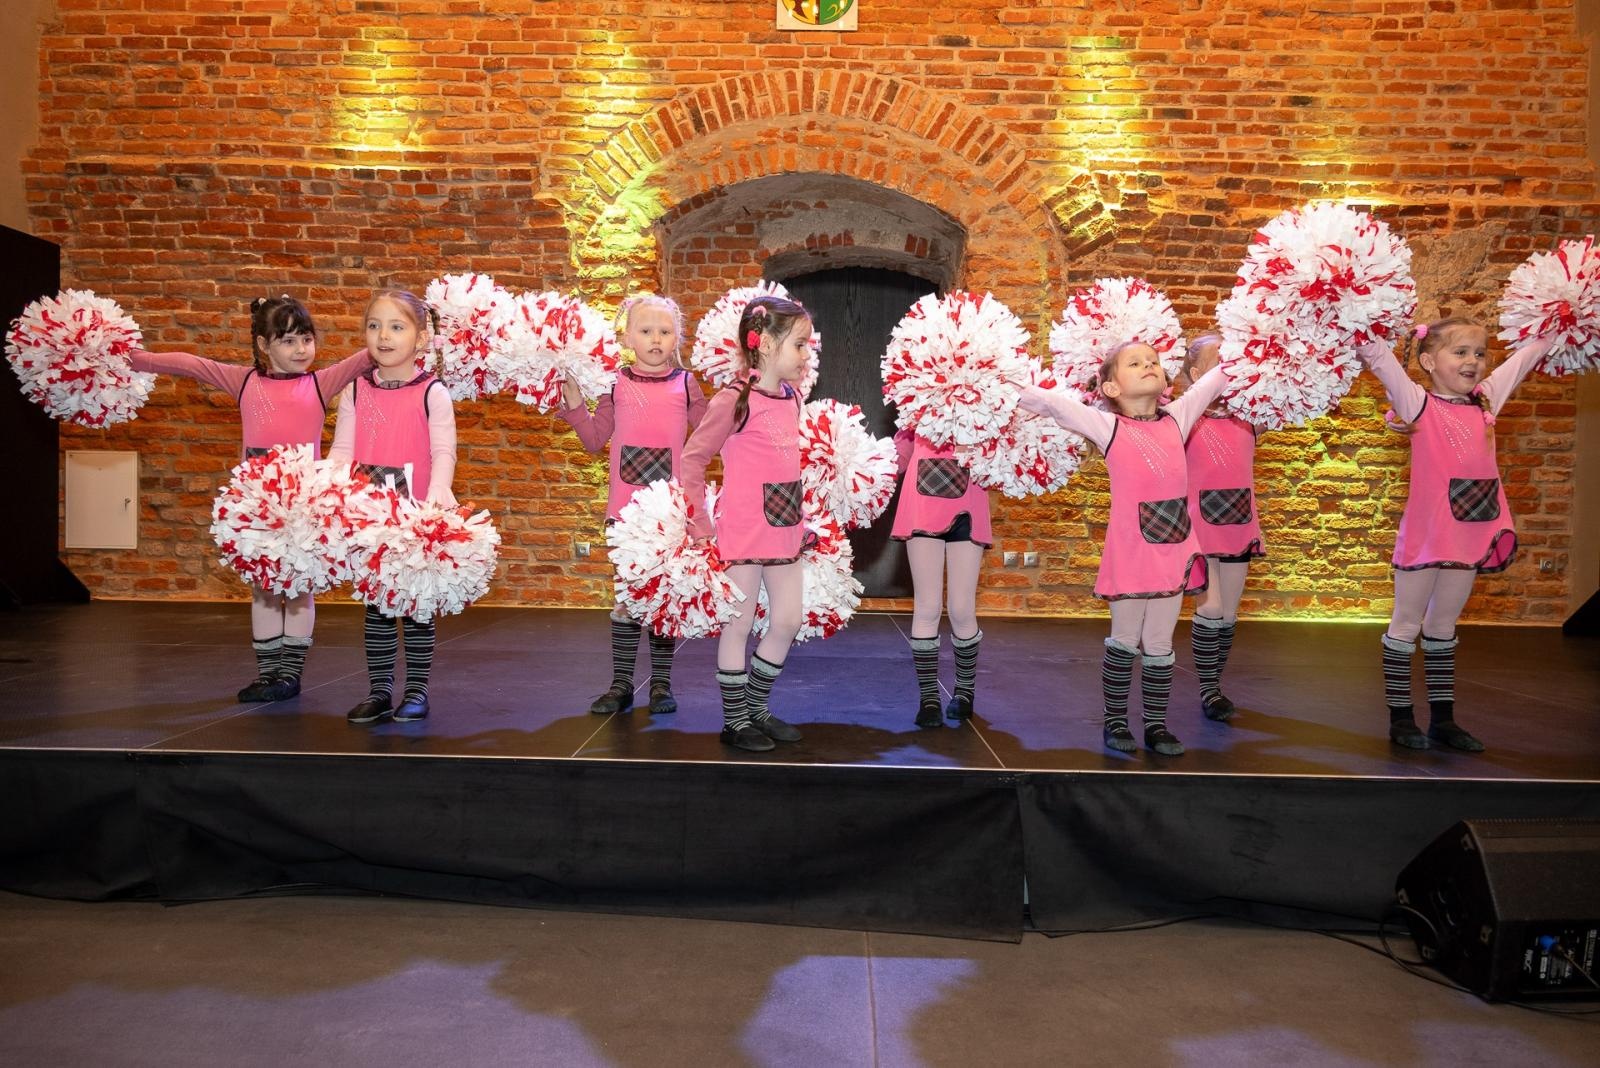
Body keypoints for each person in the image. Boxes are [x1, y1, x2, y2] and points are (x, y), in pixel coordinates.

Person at [130, 295, 372, 702]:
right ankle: (267, 674)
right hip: (255, 508)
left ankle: (289, 676)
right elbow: (189, 365)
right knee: (262, 589)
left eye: (307, 339)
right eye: (288, 340)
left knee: (297, 589)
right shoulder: (243, 382)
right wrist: (132, 358)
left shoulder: (320, 382)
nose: (301, 350)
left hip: (303, 508)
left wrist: (420, 329)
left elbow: (367, 356)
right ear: (264, 345)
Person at [1019, 341, 1231, 756]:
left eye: (1153, 361)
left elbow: (1214, 381)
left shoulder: (1179, 418)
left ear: (1166, 378)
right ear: (1112, 388)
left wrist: (1256, 344)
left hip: (1175, 547)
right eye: (1134, 364)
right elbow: (1052, 404)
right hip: (1133, 550)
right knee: (1125, 637)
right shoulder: (1107, 426)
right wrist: (990, 383)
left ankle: (1156, 724)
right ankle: (1116, 722)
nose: (1148, 366)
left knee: (1160, 641)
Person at [1357, 320, 1555, 751]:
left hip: (1473, 529)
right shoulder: (1417, 403)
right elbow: (1378, 359)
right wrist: (1355, 311)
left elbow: (1526, 358)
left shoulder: (1486, 400)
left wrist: (1559, 322)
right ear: (1429, 361)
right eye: (1460, 352)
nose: (1473, 361)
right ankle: (1401, 718)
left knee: (1443, 624)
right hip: (1429, 534)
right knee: (1407, 622)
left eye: (1480, 353)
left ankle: (1443, 720)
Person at [560, 295, 708, 716]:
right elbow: (593, 440)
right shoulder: (613, 383)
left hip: (670, 513)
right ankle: (621, 684)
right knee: (626, 597)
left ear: (677, 336)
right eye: (645, 331)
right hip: (624, 514)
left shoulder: (686, 384)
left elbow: (713, 432)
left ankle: (661, 685)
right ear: (628, 337)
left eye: (664, 331)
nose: (655, 339)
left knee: (663, 596)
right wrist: (574, 404)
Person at [679, 295, 812, 753]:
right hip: (743, 531)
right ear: (768, 343)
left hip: (786, 526)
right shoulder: (733, 400)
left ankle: (756, 707)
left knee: (788, 619)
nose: (805, 355)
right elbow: (692, 460)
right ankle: (734, 721)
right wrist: (699, 523)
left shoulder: (792, 397)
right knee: (738, 625)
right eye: (799, 344)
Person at [328, 290, 458, 725]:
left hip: (414, 512)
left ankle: (417, 691)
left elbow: (444, 451)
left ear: (421, 339)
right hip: (368, 515)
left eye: (397, 327)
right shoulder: (355, 390)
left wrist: (439, 490)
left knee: (416, 605)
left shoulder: (432, 392)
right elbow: (342, 450)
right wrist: (327, 490)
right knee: (377, 605)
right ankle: (380, 690)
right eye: (374, 326)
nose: (383, 336)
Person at [1180, 334, 1264, 722]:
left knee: (1228, 615)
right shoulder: (1182, 419)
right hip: (1198, 526)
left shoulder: (1250, 418)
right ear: (1197, 374)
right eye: (1220, 362)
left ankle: (1216, 682)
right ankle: (1209, 690)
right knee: (1210, 608)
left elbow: (1299, 400)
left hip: (1238, 521)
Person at [889, 427, 990, 729]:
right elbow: (900, 451)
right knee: (927, 607)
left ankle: (964, 693)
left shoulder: (990, 391)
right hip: (921, 503)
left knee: (961, 608)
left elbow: (1000, 452)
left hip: (968, 503)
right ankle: (929, 699)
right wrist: (862, 472)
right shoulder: (918, 388)